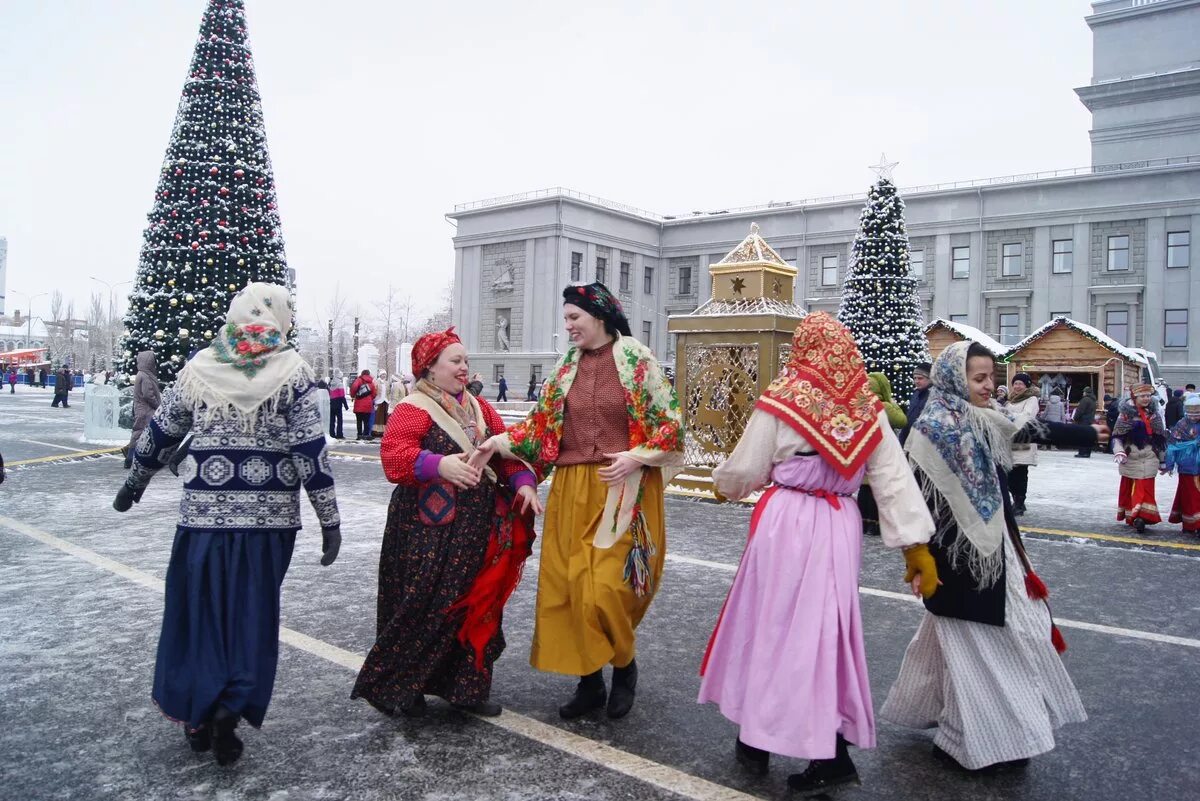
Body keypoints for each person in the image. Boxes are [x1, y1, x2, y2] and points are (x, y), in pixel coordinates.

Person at [698, 314, 937, 794]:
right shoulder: (868, 409)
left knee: (767, 625)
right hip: (838, 523)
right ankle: (782, 737)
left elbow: (746, 467)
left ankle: (780, 740)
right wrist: (915, 545)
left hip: (784, 521)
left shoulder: (783, 399)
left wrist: (727, 486)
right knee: (821, 632)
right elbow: (892, 479)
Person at [111, 282, 342, 766]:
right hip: (268, 525)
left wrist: (134, 484)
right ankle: (229, 710)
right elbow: (309, 452)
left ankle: (198, 713)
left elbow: (160, 433)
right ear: (278, 318)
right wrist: (329, 519)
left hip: (202, 523)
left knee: (198, 615)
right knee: (250, 617)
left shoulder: (201, 369)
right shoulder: (292, 373)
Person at [881, 342, 1098, 772]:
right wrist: (918, 554)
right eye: (978, 379)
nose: (988, 386)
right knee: (983, 650)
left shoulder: (977, 418)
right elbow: (913, 503)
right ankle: (976, 740)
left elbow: (1023, 430)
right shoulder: (932, 430)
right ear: (954, 379)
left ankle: (963, 732)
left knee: (979, 646)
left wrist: (1088, 433)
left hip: (993, 554)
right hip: (957, 564)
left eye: (991, 377)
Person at [471, 282, 683, 720]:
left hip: (623, 486)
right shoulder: (567, 366)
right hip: (571, 487)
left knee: (606, 589)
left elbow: (671, 425)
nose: (567, 327)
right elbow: (540, 426)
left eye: (573, 318)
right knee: (570, 588)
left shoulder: (637, 360)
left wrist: (636, 457)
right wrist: (497, 441)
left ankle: (624, 666)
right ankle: (589, 682)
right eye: (565, 318)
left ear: (599, 316)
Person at [351, 328, 537, 718]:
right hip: (424, 530)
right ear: (430, 368)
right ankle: (405, 686)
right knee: (423, 603)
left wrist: (522, 482)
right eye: (455, 361)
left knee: (474, 603)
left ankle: (466, 688)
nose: (464, 367)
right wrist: (440, 464)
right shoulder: (413, 407)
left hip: (475, 528)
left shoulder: (480, 409)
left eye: (465, 360)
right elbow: (394, 457)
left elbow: (506, 452)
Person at [1112, 384, 1167, 533]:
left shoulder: (1154, 414)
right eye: (1143, 396)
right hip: (1131, 456)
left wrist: (1163, 461)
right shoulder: (1125, 415)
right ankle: (1135, 516)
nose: (1146, 399)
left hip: (1149, 456)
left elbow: (1160, 439)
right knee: (1132, 488)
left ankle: (1141, 517)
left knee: (1145, 487)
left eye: (1148, 396)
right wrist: (1119, 451)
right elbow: (1117, 437)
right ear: (1135, 397)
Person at [858, 371, 907, 537]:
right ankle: (877, 524)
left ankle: (864, 522)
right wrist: (893, 403)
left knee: (864, 488)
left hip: (864, 449)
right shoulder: (884, 405)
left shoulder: (861, 403)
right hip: (880, 450)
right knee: (878, 489)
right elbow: (901, 420)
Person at [1006, 372, 1041, 516]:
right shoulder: (1010, 400)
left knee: (1019, 473)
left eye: (1020, 383)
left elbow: (1027, 417)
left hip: (1023, 440)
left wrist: (1007, 418)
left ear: (1026, 385)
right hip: (1009, 441)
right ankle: (1016, 500)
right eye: (1015, 383)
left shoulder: (1031, 399)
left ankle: (1019, 503)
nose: (1017, 386)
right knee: (1009, 473)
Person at [1165, 394, 1200, 535]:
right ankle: (1191, 523)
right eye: (1191, 413)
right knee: (1189, 494)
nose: (1194, 417)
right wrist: (1169, 463)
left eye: (1197, 413)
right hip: (1187, 466)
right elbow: (1173, 445)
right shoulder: (1181, 424)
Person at [125, 351, 162, 469]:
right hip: (145, 410)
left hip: (142, 409)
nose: (154, 364)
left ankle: (134, 458)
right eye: (153, 361)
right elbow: (148, 395)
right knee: (140, 433)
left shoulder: (141, 374)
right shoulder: (145, 376)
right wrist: (157, 405)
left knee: (140, 432)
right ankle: (130, 458)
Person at [898, 362, 932, 446]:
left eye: (920, 378)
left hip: (921, 442)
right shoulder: (915, 394)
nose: (916, 381)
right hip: (907, 439)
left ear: (929, 378)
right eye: (915, 378)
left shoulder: (933, 396)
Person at [350, 369, 376, 440]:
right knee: (366, 421)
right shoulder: (371, 382)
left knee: (359, 421)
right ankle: (366, 435)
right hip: (368, 404)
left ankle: (359, 435)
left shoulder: (359, 380)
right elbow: (374, 394)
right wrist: (370, 398)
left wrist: (353, 395)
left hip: (358, 403)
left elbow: (354, 387)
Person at [1073, 386, 1097, 458]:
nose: (1083, 393)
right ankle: (1087, 453)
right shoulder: (1093, 400)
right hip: (1090, 421)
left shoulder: (1085, 400)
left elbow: (1080, 410)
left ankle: (1082, 452)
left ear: (1086, 392)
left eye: (1084, 392)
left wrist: (1075, 417)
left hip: (1083, 421)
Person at [328, 372, 348, 439]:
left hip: (331, 403)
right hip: (338, 404)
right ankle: (339, 434)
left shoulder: (330, 383)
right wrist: (346, 405)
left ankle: (332, 434)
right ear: (340, 376)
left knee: (332, 420)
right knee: (339, 420)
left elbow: (328, 393)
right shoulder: (340, 384)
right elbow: (342, 396)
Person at [371, 370, 389, 437]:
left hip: (385, 401)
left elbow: (389, 392)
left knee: (384, 417)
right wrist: (375, 399)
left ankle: (383, 431)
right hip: (378, 401)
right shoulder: (376, 382)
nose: (384, 376)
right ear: (380, 375)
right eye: (382, 374)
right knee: (378, 417)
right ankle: (376, 431)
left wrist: (388, 399)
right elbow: (374, 391)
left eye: (385, 374)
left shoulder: (387, 383)